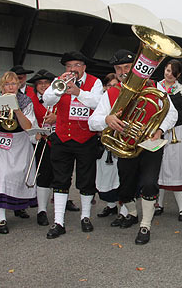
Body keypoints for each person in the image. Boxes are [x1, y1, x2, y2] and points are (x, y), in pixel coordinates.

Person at [88, 49, 177, 245]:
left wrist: (160, 129)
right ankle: (133, 213)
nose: (122, 71)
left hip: (150, 144)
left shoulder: (155, 87)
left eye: (127, 67)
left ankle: (145, 225)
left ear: (135, 67)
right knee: (125, 190)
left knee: (149, 183)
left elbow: (172, 113)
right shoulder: (111, 93)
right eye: (118, 68)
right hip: (126, 148)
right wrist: (107, 119)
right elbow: (92, 122)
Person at [42, 51, 102, 239]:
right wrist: (59, 88)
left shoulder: (95, 82)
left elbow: (99, 103)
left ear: (84, 67)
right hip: (62, 137)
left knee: (86, 179)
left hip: (86, 138)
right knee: (60, 178)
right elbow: (47, 99)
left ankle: (85, 217)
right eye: (68, 66)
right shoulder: (59, 80)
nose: (72, 69)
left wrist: (78, 92)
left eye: (76, 65)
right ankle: (58, 221)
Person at [0, 71, 36, 234]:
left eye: (13, 84)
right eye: (7, 84)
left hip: (20, 141)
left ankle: (19, 207)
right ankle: (1, 217)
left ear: (18, 85)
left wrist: (17, 110)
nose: (10, 87)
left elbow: (29, 127)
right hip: (1, 142)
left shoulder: (26, 101)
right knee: (1, 176)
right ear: (2, 87)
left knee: (19, 176)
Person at [156, 59, 182, 221]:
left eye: (172, 72)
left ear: (178, 74)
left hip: (176, 133)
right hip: (156, 132)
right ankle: (159, 204)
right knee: (158, 166)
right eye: (167, 70)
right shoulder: (155, 87)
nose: (168, 74)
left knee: (178, 167)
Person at [26, 69, 57, 226]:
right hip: (41, 141)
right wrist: (37, 132)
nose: (43, 86)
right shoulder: (30, 100)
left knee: (60, 175)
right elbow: (29, 121)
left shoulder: (60, 98)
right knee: (43, 175)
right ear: (35, 86)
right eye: (40, 83)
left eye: (46, 83)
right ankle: (42, 210)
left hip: (59, 140)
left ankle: (60, 209)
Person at [95, 73, 128, 222]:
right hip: (106, 145)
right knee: (104, 177)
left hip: (123, 143)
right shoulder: (104, 98)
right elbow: (94, 120)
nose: (112, 88)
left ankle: (125, 210)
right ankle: (111, 205)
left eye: (115, 85)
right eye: (109, 86)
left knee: (123, 178)